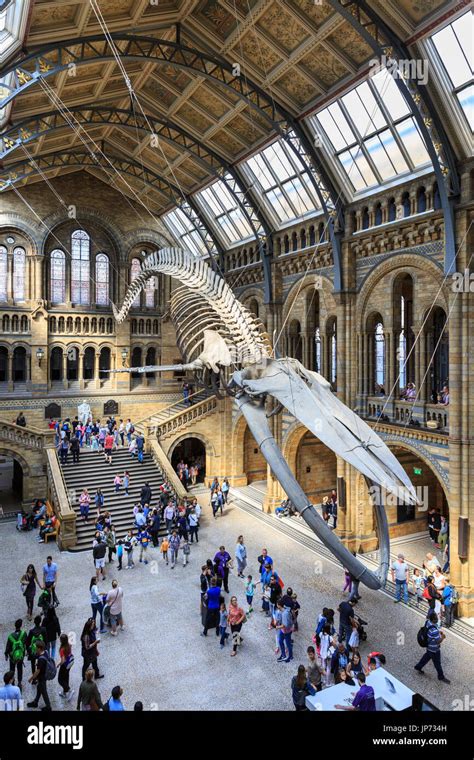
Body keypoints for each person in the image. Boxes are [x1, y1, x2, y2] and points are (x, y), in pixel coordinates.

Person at [414, 612, 450, 683]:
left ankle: (418, 666)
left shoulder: (428, 622)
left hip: (428, 646)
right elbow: (438, 641)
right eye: (436, 618)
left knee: (426, 656)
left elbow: (430, 631)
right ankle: (441, 676)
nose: (437, 619)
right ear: (433, 620)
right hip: (434, 649)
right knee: (437, 663)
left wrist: (437, 632)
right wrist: (442, 637)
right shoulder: (434, 631)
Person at [26, 640, 52, 711]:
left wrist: (31, 678)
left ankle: (48, 707)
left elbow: (37, 671)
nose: (35, 649)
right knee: (39, 688)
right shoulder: (45, 652)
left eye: (36, 648)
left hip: (42, 677)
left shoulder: (41, 660)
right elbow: (36, 655)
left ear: (40, 648)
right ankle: (35, 702)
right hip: (44, 676)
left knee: (44, 691)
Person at [4, 619, 27, 690]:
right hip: (20, 656)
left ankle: (13, 682)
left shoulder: (10, 636)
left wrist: (6, 654)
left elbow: (8, 647)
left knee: (12, 669)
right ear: (20, 626)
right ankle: (19, 682)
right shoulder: (24, 634)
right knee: (20, 668)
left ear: (15, 626)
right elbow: (26, 643)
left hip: (12, 656)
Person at [57, 633, 74, 702]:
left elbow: (63, 660)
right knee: (66, 677)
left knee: (60, 679)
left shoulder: (62, 649)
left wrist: (58, 664)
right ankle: (64, 692)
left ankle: (69, 690)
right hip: (70, 663)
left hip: (65, 665)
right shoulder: (69, 645)